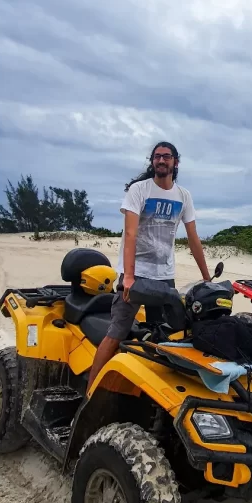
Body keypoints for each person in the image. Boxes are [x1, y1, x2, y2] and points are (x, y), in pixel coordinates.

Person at [86, 141, 211, 394]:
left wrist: (207, 279)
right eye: (156, 157)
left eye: (166, 157)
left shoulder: (183, 196)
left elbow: (193, 239)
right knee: (117, 331)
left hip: (164, 277)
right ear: (152, 161)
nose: (161, 161)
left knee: (165, 338)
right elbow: (130, 233)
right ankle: (90, 390)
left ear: (176, 162)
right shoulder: (139, 190)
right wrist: (129, 276)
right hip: (136, 274)